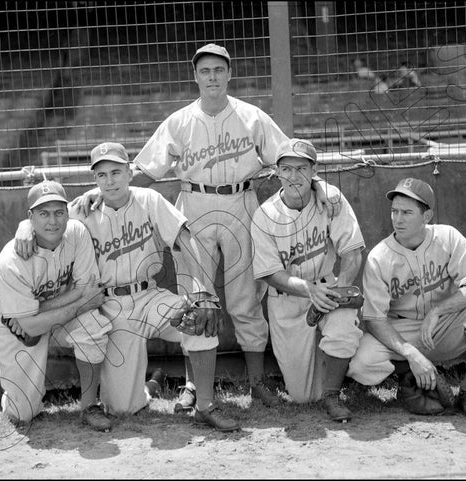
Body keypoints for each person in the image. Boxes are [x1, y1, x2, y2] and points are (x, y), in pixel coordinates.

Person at [73, 43, 341, 410]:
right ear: (195, 76)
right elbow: (143, 171)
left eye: (218, 70)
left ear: (229, 74)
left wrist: (319, 184)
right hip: (194, 205)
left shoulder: (252, 117)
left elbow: (290, 158)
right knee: (192, 297)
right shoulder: (179, 121)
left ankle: (257, 381)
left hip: (241, 202)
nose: (212, 76)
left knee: (246, 299)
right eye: (205, 71)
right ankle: (192, 385)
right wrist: (99, 191)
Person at [15, 142, 240, 432]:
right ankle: (151, 384)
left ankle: (205, 406)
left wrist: (203, 292)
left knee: (198, 318)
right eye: (102, 175)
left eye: (116, 172)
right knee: (123, 408)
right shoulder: (83, 209)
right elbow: (47, 218)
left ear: (130, 172)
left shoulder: (149, 199)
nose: (109, 181)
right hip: (109, 307)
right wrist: (24, 226)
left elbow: (186, 239)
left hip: (149, 297)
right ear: (95, 180)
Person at [347, 177, 466, 419]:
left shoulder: (448, 238)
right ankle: (409, 375)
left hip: (446, 324)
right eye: (395, 211)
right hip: (403, 328)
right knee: (360, 363)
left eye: (407, 213)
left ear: (427, 216)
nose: (398, 219)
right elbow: (375, 320)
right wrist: (411, 353)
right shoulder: (379, 257)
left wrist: (438, 311)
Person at [250, 138, 365, 422]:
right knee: (302, 396)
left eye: (302, 168)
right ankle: (333, 375)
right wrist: (308, 291)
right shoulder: (265, 216)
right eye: (286, 168)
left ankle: (333, 392)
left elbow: (352, 252)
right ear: (276, 172)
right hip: (288, 299)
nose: (293, 176)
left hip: (328, 287)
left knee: (342, 324)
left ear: (314, 171)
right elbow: (270, 274)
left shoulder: (331, 198)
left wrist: (338, 293)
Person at [0, 180, 113, 431]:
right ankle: (13, 393)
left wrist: (40, 306)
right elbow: (32, 326)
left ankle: (90, 405)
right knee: (22, 414)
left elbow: (85, 289)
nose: (53, 221)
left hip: (37, 315)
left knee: (94, 325)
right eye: (43, 213)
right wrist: (80, 303)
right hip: (17, 324)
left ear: (67, 213)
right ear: (30, 217)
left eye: (59, 212)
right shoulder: (10, 261)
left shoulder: (77, 233)